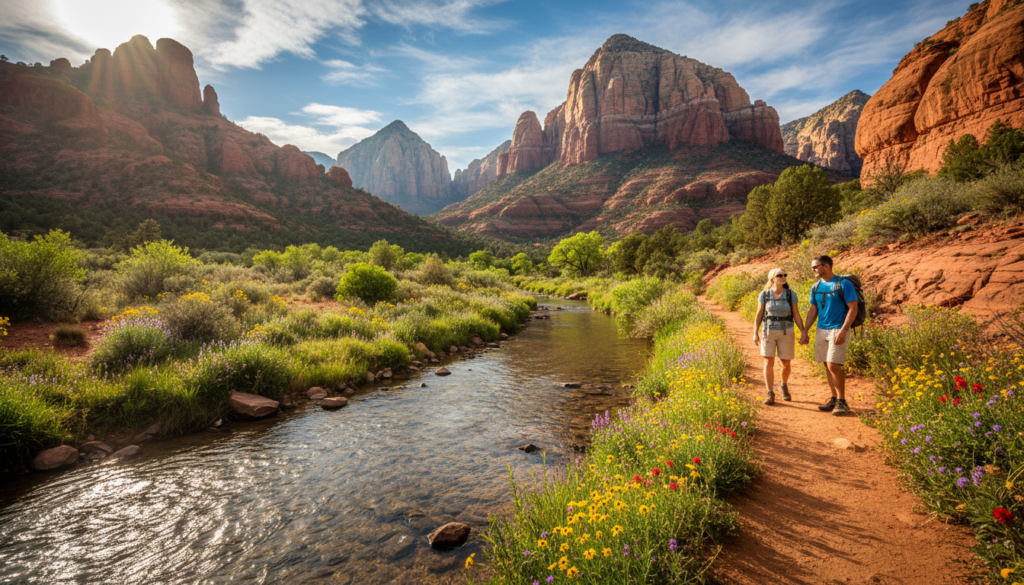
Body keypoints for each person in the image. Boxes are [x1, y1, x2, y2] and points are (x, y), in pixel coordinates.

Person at [800, 255, 858, 416]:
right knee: (827, 364)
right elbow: (813, 310)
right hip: (821, 329)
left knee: (834, 364)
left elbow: (853, 308)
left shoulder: (843, 284)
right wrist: (805, 331)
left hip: (838, 328)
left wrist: (844, 330)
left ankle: (842, 401)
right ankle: (834, 398)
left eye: (815, 266)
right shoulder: (816, 286)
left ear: (826, 266)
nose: (813, 270)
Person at [753, 268, 805, 405]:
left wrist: (803, 331)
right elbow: (759, 314)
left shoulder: (790, 294)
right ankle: (770, 392)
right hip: (768, 331)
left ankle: (783, 385)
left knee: (786, 364)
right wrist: (755, 333)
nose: (783, 277)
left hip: (786, 331)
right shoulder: (764, 294)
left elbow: (796, 314)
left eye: (784, 275)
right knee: (768, 362)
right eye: (780, 275)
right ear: (772, 278)